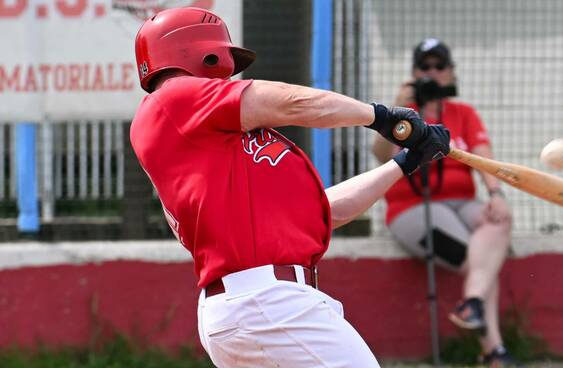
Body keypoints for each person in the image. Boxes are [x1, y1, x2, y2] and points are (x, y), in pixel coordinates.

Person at [130, 7, 450, 368]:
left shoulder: (218, 147)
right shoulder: (171, 99)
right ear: (196, 50)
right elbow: (293, 102)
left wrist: (405, 163)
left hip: (258, 308)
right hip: (265, 301)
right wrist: (381, 116)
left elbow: (325, 212)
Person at [372, 38, 516, 367]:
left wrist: (495, 194)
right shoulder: (404, 115)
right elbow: (380, 156)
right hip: (412, 209)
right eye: (425, 67)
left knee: (499, 219)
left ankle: (474, 303)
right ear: (414, 74)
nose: (433, 73)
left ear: (451, 73)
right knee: (476, 259)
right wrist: (394, 112)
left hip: (461, 201)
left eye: (440, 66)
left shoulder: (464, 114)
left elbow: (484, 157)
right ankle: (494, 351)